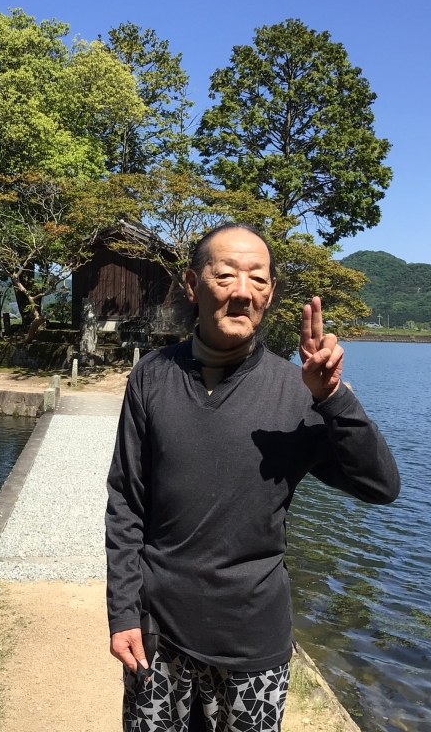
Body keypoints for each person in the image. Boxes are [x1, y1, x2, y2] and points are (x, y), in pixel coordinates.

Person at [105, 223, 400, 732]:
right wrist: (123, 611)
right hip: (157, 630)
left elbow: (379, 486)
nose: (243, 291)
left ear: (270, 295)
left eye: (258, 280)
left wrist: (334, 400)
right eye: (225, 276)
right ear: (193, 286)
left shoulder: (297, 390)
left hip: (253, 640)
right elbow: (127, 501)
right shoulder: (152, 375)